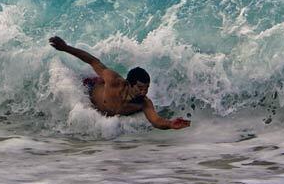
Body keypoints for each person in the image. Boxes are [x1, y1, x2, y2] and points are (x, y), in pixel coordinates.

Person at [49, 36, 191, 130]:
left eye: (146, 88)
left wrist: (171, 124)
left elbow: (156, 120)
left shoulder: (143, 103)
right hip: (89, 88)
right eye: (140, 88)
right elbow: (93, 61)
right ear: (129, 84)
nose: (144, 92)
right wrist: (66, 48)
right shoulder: (113, 81)